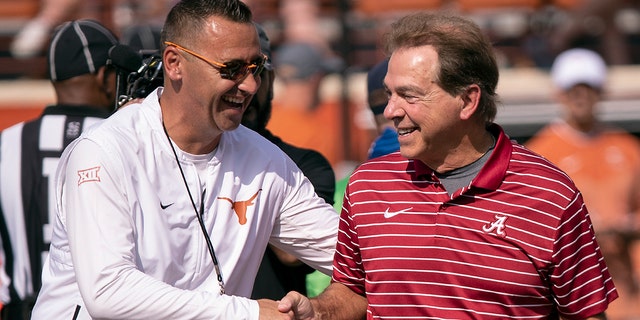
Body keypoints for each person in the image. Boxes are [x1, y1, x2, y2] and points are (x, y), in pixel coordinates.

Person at [277, 12, 618, 319]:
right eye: (388, 95)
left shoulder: (550, 194)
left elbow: (585, 312)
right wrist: (319, 312)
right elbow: (354, 290)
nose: (390, 111)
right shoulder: (367, 185)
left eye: (409, 95)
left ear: (468, 100)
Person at [29, 0, 338, 319]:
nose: (249, 85)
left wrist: (325, 309)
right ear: (174, 64)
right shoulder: (104, 150)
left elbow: (354, 255)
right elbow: (109, 291)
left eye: (255, 67)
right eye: (231, 69)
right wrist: (248, 313)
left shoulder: (265, 160)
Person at [0, 19, 118, 320]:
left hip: (22, 311)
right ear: (106, 77)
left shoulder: (7, 142)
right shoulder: (123, 140)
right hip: (100, 311)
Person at [526, 47, 640, 318]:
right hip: (576, 287)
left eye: (588, 87)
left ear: (601, 92)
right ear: (559, 93)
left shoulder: (627, 147)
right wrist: (584, 229)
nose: (581, 96)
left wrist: (627, 225)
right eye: (573, 88)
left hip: (628, 284)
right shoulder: (539, 153)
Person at [245, 23, 336, 300]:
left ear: (271, 80)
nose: (245, 87)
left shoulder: (303, 163)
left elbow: (291, 253)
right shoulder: (181, 155)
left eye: (257, 73)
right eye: (229, 71)